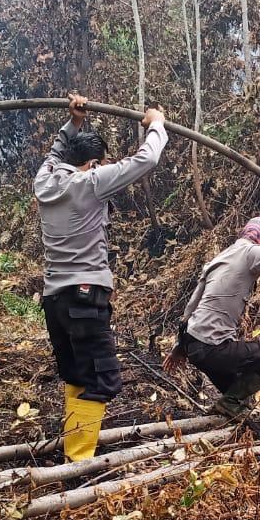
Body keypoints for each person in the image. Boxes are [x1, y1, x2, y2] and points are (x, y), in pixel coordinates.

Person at [36, 95, 169, 461]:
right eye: (102, 165)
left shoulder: (44, 180)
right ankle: (79, 462)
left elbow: (55, 153)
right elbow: (147, 159)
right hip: (84, 297)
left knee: (78, 377)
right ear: (93, 164)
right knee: (103, 380)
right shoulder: (91, 182)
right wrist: (156, 122)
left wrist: (72, 123)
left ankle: (74, 455)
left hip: (54, 301)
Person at [164, 213, 260, 422]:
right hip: (212, 348)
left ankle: (228, 412)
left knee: (241, 401)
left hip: (194, 347)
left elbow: (190, 309)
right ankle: (228, 404)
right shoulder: (250, 252)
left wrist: (180, 348)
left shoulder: (220, 257)